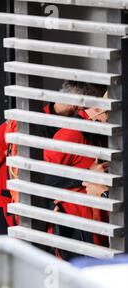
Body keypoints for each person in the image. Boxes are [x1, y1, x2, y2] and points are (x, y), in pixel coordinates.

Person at [0, 81, 105, 239]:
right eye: (93, 110)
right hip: (8, 216)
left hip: (46, 218)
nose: (95, 118)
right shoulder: (22, 125)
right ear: (77, 106)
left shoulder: (71, 132)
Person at [44, 102, 110, 260]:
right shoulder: (70, 134)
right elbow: (44, 177)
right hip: (76, 229)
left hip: (98, 227)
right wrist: (86, 175)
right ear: (96, 108)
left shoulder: (98, 133)